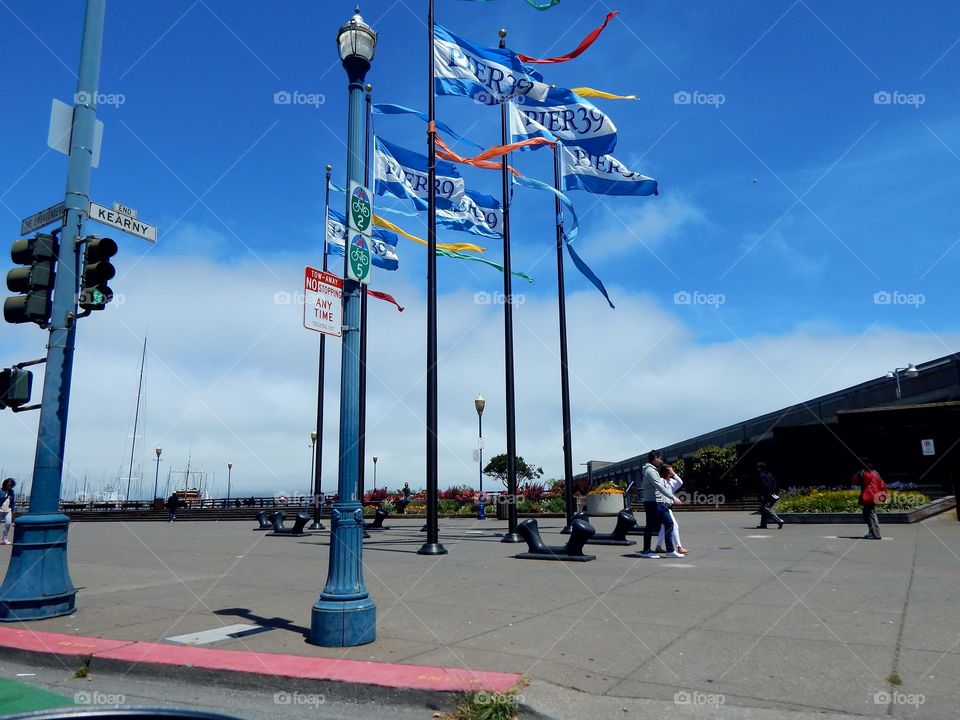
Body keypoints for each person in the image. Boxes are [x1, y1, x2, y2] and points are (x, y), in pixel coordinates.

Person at [639, 451, 683, 558]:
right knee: (650, 526)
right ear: (655, 458)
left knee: (669, 523)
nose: (661, 460)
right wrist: (673, 497)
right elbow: (660, 487)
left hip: (659, 502)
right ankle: (646, 551)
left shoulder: (654, 471)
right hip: (652, 502)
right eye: (660, 458)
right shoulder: (650, 471)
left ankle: (670, 550)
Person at [655, 465, 688, 554]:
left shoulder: (671, 482)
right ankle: (679, 547)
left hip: (668, 506)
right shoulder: (660, 481)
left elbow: (680, 482)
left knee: (663, 527)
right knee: (674, 525)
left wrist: (673, 473)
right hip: (663, 506)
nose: (670, 473)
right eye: (669, 471)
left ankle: (658, 546)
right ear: (665, 472)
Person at [852, 459, 886, 539]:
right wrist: (883, 495)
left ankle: (876, 534)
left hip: (867, 496)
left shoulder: (862, 473)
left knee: (871, 514)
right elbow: (882, 484)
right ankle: (871, 532)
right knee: (867, 514)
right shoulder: (876, 473)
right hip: (875, 495)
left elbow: (854, 480)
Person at [756, 462, 784, 529]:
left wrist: (762, 494)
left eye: (758, 467)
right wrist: (773, 492)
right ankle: (763, 524)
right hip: (771, 493)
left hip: (766, 494)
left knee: (766, 508)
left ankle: (779, 520)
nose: (757, 468)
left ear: (760, 467)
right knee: (764, 509)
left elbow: (764, 486)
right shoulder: (769, 474)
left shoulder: (762, 475)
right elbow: (774, 484)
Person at [1, 478, 15, 545]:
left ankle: (4, 539)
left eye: (11, 485)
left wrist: (12, 510)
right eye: (8, 484)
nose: (9, 485)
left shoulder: (11, 492)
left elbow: (12, 502)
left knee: (8, 523)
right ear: (5, 483)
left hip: (8, 510)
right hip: (0, 509)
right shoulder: (1, 490)